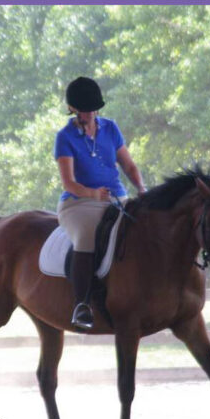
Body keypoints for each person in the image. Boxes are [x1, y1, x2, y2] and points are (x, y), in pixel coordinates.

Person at [54, 76, 146, 331]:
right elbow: (68, 183)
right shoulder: (65, 137)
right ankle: (81, 304)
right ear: (72, 108)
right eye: (84, 110)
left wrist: (141, 188)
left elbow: (129, 165)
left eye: (93, 109)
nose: (90, 114)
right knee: (86, 235)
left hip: (116, 198)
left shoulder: (111, 128)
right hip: (78, 203)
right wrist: (93, 194)